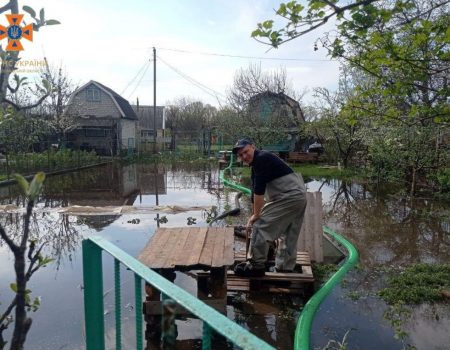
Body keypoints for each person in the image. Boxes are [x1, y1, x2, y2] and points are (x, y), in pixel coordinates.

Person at [232, 138, 307, 277]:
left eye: (245, 151)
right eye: (240, 155)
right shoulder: (257, 164)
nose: (244, 156)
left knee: (260, 226)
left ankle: (256, 266)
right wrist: (254, 213)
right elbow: (255, 192)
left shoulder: (261, 158)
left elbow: (260, 191)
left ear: (253, 146)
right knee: (288, 234)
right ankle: (284, 268)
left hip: (289, 196)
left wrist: (255, 216)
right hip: (298, 196)